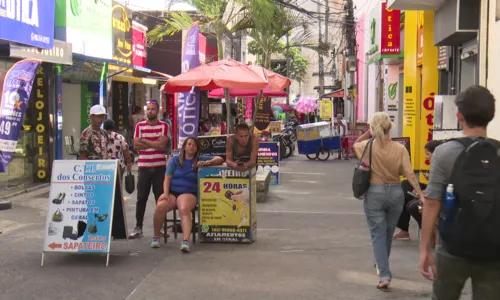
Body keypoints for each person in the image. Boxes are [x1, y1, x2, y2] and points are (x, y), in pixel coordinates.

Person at [420, 85, 500, 299]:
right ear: (491, 116)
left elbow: (432, 202)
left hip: (452, 247)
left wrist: (424, 249)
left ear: (459, 115)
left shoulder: (444, 152)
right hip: (494, 248)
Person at [353, 112, 424, 291]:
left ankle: (384, 274)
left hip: (375, 193)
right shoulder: (400, 149)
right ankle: (381, 265)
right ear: (390, 128)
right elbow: (408, 173)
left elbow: (355, 144)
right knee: (388, 233)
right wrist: (420, 193)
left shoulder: (366, 146)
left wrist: (370, 132)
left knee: (378, 235)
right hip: (395, 192)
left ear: (372, 128)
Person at [151, 137, 223, 252]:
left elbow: (220, 159)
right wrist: (165, 194)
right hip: (172, 191)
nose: (191, 146)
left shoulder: (199, 159)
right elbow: (167, 179)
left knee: (184, 208)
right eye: (189, 144)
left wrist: (206, 163)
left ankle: (185, 241)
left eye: (194, 145)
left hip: (189, 192)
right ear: (184, 147)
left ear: (197, 148)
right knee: (160, 206)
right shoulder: (174, 160)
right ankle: (156, 237)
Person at [129, 100, 170, 239]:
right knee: (141, 198)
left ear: (157, 110)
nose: (150, 111)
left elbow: (162, 145)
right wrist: (154, 143)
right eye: (148, 109)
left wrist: (145, 141)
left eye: (153, 109)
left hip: (159, 167)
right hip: (144, 167)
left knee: (160, 198)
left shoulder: (164, 126)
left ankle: (161, 227)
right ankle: (138, 227)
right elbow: (136, 146)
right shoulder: (139, 126)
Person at [393, 140, 442, 240]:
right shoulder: (435, 165)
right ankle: (404, 229)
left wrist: (424, 192)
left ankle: (430, 231)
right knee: (406, 185)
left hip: (438, 192)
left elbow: (443, 185)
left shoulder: (443, 166)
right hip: (432, 188)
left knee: (412, 205)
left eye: (427, 154)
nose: (426, 157)